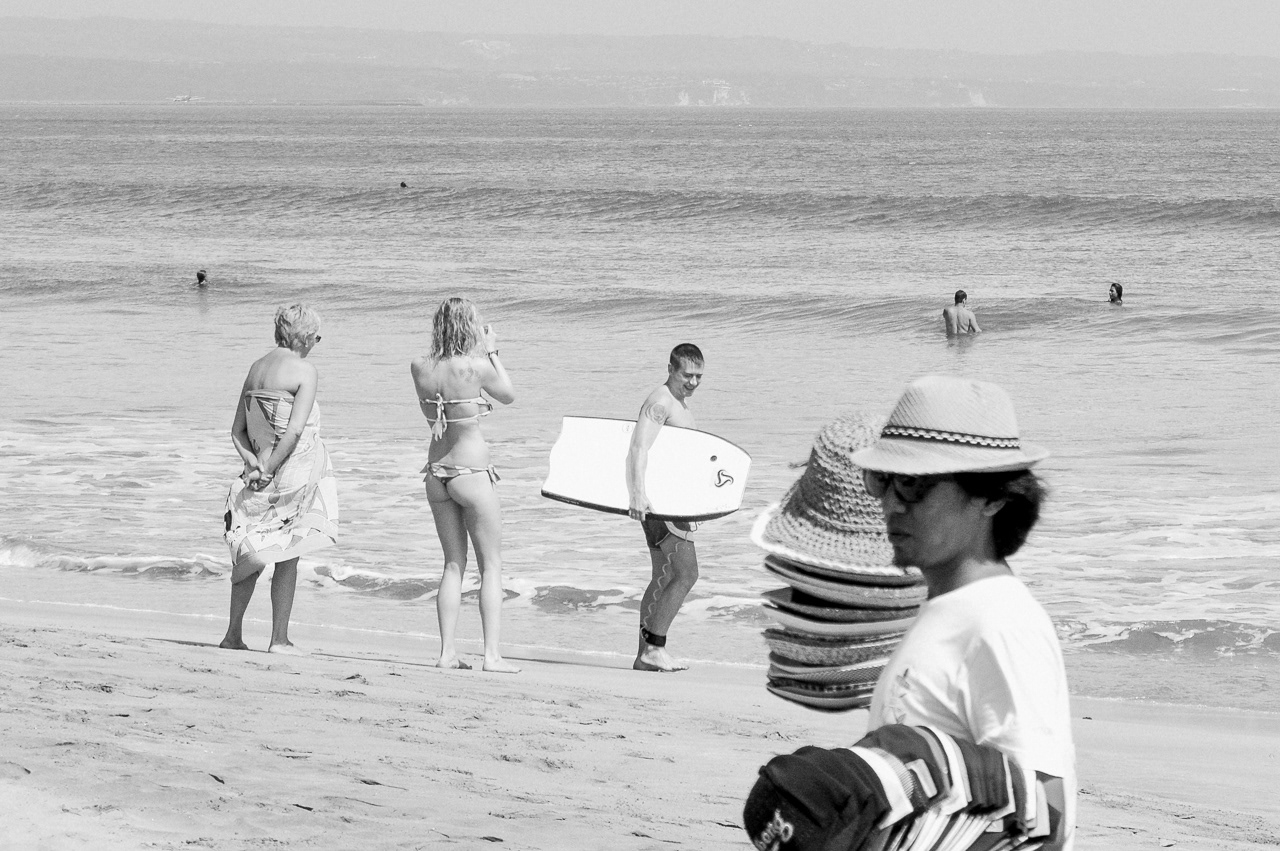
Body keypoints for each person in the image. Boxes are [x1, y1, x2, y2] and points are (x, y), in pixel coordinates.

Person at [850, 375, 1076, 850]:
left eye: (912, 484)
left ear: (991, 496)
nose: (890, 502)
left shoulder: (999, 624)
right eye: (881, 479)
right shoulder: (950, 612)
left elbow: (1044, 822)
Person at [221, 304, 339, 654]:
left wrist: (254, 465)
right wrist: (271, 466)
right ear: (303, 336)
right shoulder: (304, 369)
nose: (317, 343)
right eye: (316, 336)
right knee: (289, 552)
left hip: (259, 473)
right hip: (291, 472)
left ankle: (233, 634)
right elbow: (295, 430)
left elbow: (237, 431)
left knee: (252, 551)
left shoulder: (257, 368)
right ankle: (279, 639)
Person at [411, 297, 519, 673]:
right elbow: (507, 393)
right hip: (472, 474)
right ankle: (491, 656)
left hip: (436, 473)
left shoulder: (420, 367)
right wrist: (492, 352)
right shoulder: (475, 367)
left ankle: (446, 654)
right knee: (491, 566)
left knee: (453, 565)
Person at [626, 343, 705, 672]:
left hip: (670, 500)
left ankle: (644, 654)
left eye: (699, 376)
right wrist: (638, 494)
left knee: (662, 576)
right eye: (687, 375)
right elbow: (638, 447)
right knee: (687, 574)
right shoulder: (661, 401)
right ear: (671, 369)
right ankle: (654, 649)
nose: (693, 382)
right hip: (661, 503)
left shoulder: (678, 403)